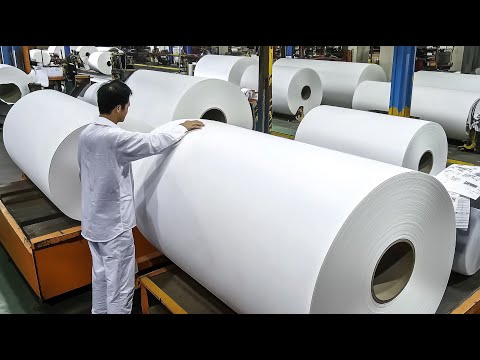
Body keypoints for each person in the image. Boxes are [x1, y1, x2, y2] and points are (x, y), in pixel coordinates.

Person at [78, 79, 204, 314]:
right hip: (114, 228)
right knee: (121, 286)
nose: (128, 110)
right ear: (118, 108)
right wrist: (182, 127)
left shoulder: (87, 134)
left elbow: (82, 172)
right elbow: (152, 143)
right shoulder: (114, 138)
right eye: (127, 106)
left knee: (102, 277)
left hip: (93, 222)